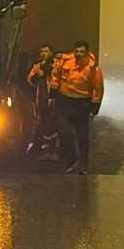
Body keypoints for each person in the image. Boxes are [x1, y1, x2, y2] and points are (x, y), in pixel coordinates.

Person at [49, 39, 105, 174]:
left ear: (86, 52)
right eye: (77, 51)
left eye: (82, 52)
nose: (79, 54)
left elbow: (98, 89)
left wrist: (94, 108)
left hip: (82, 105)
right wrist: (52, 95)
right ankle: (72, 158)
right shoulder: (65, 62)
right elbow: (56, 77)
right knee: (64, 132)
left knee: (82, 136)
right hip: (65, 102)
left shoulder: (93, 69)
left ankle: (83, 164)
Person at [27, 44, 60, 161]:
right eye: (41, 51)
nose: (43, 54)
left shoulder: (57, 63)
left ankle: (55, 151)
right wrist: (37, 75)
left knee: (55, 126)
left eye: (46, 51)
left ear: (51, 52)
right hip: (41, 100)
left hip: (54, 100)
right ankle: (46, 151)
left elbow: (56, 75)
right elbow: (30, 81)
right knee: (45, 126)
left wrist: (45, 67)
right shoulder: (37, 66)